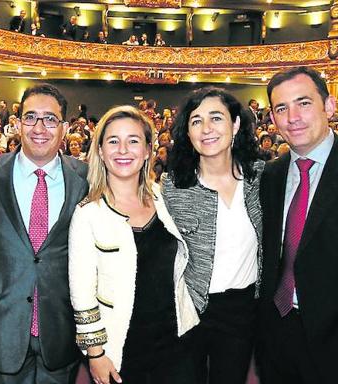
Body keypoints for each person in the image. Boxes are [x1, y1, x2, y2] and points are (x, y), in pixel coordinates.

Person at [69, 105, 198, 384]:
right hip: (121, 350)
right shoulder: (87, 214)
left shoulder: (165, 198)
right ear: (101, 151)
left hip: (178, 343)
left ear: (148, 150)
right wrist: (96, 354)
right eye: (113, 141)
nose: (123, 150)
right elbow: (82, 297)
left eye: (134, 140)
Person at [0, 84, 88, 382]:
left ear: (63, 128)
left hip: (61, 331)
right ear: (18, 123)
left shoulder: (85, 178)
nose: (39, 127)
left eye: (50, 119)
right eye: (31, 117)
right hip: (1, 328)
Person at [161, 87, 263, 384]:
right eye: (196, 121)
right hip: (187, 307)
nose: (206, 129)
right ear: (187, 133)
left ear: (236, 124)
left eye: (216, 118)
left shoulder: (262, 178)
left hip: (242, 310)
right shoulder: (172, 186)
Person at [258, 66, 338, 384]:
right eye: (282, 108)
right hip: (275, 333)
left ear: (328, 106)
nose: (293, 117)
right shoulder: (269, 176)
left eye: (303, 103)